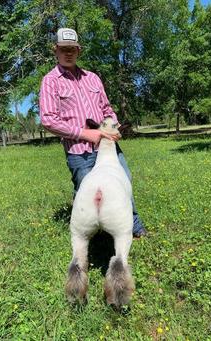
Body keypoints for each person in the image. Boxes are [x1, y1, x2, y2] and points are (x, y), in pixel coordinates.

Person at [39, 28, 146, 238]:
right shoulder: (50, 81)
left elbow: (107, 109)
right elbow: (48, 119)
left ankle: (134, 226)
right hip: (80, 151)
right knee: (87, 191)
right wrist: (86, 134)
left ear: (79, 50)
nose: (68, 53)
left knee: (123, 181)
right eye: (63, 49)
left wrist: (113, 129)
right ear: (56, 50)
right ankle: (87, 234)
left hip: (108, 146)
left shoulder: (93, 78)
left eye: (72, 49)